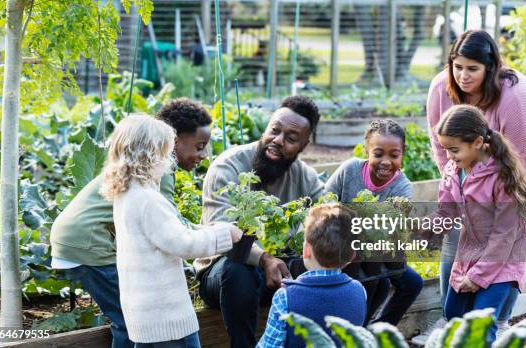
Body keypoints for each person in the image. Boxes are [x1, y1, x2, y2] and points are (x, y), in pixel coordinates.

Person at [413, 29, 526, 345]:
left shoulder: (515, 95)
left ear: (490, 67)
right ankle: (451, 321)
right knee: (457, 236)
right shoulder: (441, 89)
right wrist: (459, 189)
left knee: (505, 245)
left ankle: (498, 324)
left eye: (473, 68)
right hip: (477, 177)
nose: (463, 76)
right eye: (457, 66)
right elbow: (441, 146)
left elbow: (522, 163)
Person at [50, 99, 214, 348]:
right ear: (174, 141)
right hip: (89, 242)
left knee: (131, 320)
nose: (203, 155)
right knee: (133, 319)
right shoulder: (156, 172)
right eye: (200, 146)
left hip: (78, 239)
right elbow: (172, 225)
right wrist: (213, 235)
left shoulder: (135, 169)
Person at [100, 114, 242, 348]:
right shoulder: (148, 200)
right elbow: (184, 244)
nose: (168, 161)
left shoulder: (127, 194)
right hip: (167, 319)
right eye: (165, 154)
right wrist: (225, 233)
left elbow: (166, 236)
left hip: (144, 317)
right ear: (151, 155)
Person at [194, 95, 326, 347]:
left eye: (290, 138)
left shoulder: (304, 177)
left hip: (276, 275)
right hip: (220, 275)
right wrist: (264, 258)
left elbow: (329, 215)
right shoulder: (228, 167)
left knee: (314, 266)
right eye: (274, 130)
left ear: (304, 145)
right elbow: (221, 238)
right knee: (238, 269)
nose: (277, 141)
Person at [432, 104, 526, 343]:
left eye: (454, 149)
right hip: (470, 251)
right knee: (454, 315)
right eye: (445, 149)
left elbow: (504, 236)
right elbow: (447, 212)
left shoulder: (502, 177)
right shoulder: (453, 171)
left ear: (477, 142)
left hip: (502, 258)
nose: (449, 156)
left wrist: (478, 276)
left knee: (481, 324)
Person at [324, 120, 423, 326]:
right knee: (378, 282)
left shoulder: (402, 187)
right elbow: (323, 203)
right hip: (340, 248)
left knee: (412, 283)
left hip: (378, 251)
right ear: (366, 151)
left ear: (402, 154)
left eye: (394, 155)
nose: (386, 161)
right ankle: (356, 328)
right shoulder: (349, 170)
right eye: (378, 154)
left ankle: (378, 329)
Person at [257, 204, 366, 348]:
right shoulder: (360, 291)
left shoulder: (284, 297)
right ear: (352, 257)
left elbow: (270, 346)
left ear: (306, 250)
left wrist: (291, 291)